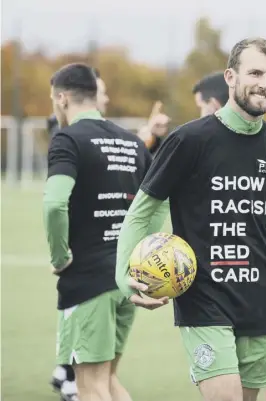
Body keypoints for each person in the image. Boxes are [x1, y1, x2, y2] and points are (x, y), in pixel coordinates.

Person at [115, 38, 266, 401]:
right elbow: (142, 210)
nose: (265, 82)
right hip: (203, 300)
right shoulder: (189, 140)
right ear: (231, 77)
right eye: (255, 72)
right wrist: (124, 275)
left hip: (259, 303)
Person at [43, 63, 157, 401]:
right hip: (126, 277)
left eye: (53, 99)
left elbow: (54, 204)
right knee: (107, 381)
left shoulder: (68, 138)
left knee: (89, 386)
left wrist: (60, 256)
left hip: (88, 281)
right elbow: (156, 204)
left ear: (62, 98)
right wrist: (143, 257)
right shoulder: (132, 143)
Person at [192, 70, 266, 401]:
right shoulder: (261, 136)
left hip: (245, 250)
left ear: (211, 102)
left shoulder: (218, 140)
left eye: (199, 107)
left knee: (259, 335)